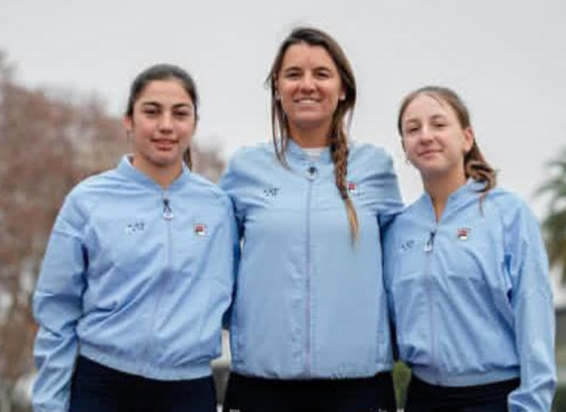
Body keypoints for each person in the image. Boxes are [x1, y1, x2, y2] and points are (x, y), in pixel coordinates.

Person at [31, 63, 236, 412]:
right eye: (152, 112)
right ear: (129, 120)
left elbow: (237, 303)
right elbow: (57, 307)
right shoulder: (88, 201)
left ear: (194, 124)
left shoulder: (218, 208)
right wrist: (49, 403)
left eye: (180, 113)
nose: (166, 125)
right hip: (102, 386)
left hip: (188, 391)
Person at [219, 26, 403, 412]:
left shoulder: (375, 168)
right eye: (293, 74)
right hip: (260, 389)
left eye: (321, 74)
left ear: (342, 90)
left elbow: (401, 271)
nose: (307, 85)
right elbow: (213, 266)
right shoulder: (244, 169)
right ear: (276, 89)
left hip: (359, 391)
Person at [385, 86, 556, 412]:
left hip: (495, 398)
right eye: (413, 129)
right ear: (405, 148)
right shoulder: (398, 229)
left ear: (466, 138)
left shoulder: (508, 214)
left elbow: (534, 316)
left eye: (438, 124)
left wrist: (532, 405)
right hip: (422, 397)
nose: (425, 136)